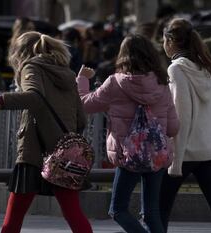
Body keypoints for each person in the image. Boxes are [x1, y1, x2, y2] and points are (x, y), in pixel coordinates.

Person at [0, 31, 93, 233]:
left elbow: (34, 97)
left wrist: (1, 100)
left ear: (20, 53)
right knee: (73, 213)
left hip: (34, 152)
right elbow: (81, 119)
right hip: (63, 154)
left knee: (14, 215)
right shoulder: (67, 74)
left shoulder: (31, 67)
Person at [76, 34, 179, 233]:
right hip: (156, 154)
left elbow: (85, 105)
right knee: (151, 212)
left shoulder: (115, 83)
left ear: (123, 56)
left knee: (118, 210)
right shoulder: (162, 83)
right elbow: (173, 128)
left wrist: (82, 79)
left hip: (128, 154)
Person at [160, 18, 211, 233]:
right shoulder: (207, 66)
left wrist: (175, 161)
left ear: (170, 41)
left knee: (159, 208)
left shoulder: (176, 69)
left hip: (186, 151)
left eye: (163, 40)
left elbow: (181, 115)